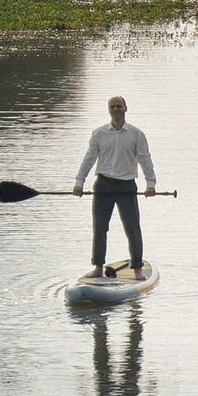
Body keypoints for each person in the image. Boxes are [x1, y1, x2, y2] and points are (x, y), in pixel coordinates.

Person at [72, 95, 158, 279]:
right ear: (109, 110)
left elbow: (145, 159)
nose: (116, 109)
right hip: (103, 184)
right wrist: (79, 182)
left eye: (119, 106)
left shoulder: (136, 134)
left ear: (125, 108)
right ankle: (98, 268)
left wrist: (150, 183)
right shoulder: (99, 133)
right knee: (100, 227)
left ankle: (137, 269)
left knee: (132, 228)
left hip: (126, 186)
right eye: (112, 107)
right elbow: (89, 159)